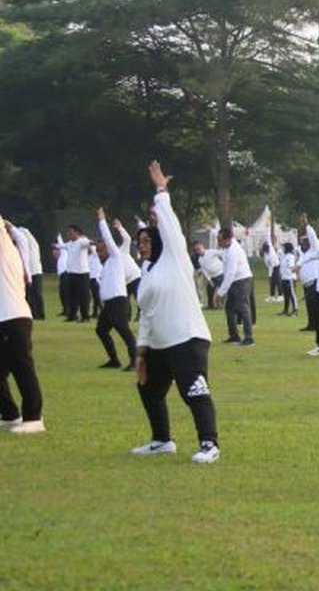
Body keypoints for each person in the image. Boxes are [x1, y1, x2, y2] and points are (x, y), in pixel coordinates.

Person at [132, 161, 221, 464]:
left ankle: (209, 445)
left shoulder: (174, 258)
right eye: (139, 242)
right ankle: (161, 440)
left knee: (194, 391)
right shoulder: (147, 274)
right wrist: (141, 352)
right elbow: (145, 314)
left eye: (146, 242)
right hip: (158, 344)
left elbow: (169, 227)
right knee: (147, 388)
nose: (142, 247)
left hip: (186, 338)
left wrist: (161, 192)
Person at [0, 215, 44, 434]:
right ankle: (9, 414)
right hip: (5, 319)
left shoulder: (6, 249)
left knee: (22, 368)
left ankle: (34, 418)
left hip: (14, 318)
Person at [94, 209, 139, 371]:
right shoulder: (106, 265)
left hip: (118, 301)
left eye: (102, 250)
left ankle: (135, 361)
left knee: (124, 331)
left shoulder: (115, 257)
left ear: (109, 249)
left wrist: (102, 221)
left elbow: (108, 238)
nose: (99, 253)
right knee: (101, 330)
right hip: (109, 304)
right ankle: (114, 360)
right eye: (98, 251)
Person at [58, 225, 93, 322]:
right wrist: (55, 245)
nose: (69, 234)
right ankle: (72, 315)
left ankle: (85, 316)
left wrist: (89, 241)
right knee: (72, 296)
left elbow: (89, 243)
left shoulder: (81, 241)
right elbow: (62, 246)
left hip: (82, 273)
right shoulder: (69, 244)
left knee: (83, 296)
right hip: (71, 273)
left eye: (71, 232)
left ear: (77, 233)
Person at [278, 241, 298, 316]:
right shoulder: (285, 256)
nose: (283, 249)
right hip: (284, 278)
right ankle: (285, 310)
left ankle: (295, 310)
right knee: (286, 295)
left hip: (290, 278)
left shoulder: (290, 256)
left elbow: (291, 267)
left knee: (292, 294)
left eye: (284, 247)